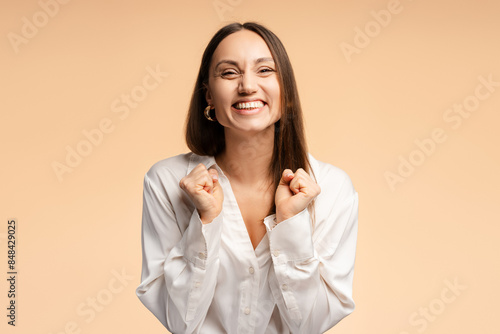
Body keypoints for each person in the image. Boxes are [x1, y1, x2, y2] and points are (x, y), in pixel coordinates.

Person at [136, 22, 359, 334]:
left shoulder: (333, 188)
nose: (247, 86)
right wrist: (206, 221)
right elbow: (179, 322)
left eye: (265, 70)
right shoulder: (166, 181)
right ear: (208, 96)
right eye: (229, 73)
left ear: (287, 92)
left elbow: (310, 326)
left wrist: (291, 223)